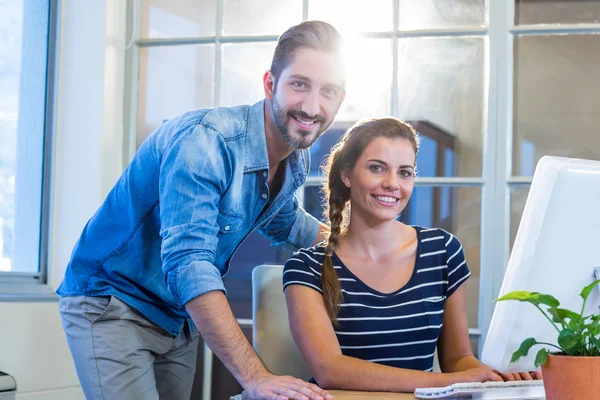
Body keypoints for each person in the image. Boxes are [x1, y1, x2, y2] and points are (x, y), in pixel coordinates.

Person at [57, 20, 346, 400]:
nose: (312, 106)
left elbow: (284, 219)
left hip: (176, 316)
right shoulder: (206, 142)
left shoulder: (296, 159)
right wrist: (256, 377)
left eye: (328, 91)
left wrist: (357, 246)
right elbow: (189, 263)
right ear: (270, 84)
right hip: (113, 300)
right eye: (299, 84)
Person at [283, 117, 542, 392]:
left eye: (405, 172)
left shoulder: (442, 251)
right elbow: (330, 371)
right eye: (376, 168)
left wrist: (497, 376)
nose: (392, 184)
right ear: (347, 175)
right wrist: (449, 382)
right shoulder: (306, 268)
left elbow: (457, 359)